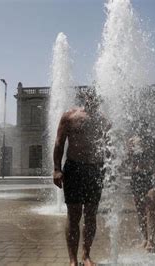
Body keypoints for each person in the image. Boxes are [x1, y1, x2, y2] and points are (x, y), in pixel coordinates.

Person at [53, 89, 109, 266]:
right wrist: (57, 169)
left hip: (95, 169)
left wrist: (109, 170)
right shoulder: (70, 116)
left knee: (91, 215)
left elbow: (108, 148)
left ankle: (86, 255)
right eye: (90, 96)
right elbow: (59, 143)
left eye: (96, 97)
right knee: (74, 214)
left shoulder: (104, 120)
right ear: (85, 98)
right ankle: (72, 259)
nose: (93, 99)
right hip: (74, 168)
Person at [127, 120, 155, 252]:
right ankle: (144, 238)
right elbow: (128, 159)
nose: (141, 130)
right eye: (139, 128)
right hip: (137, 177)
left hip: (152, 175)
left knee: (151, 208)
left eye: (144, 127)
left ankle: (151, 240)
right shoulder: (131, 141)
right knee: (140, 209)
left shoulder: (153, 141)